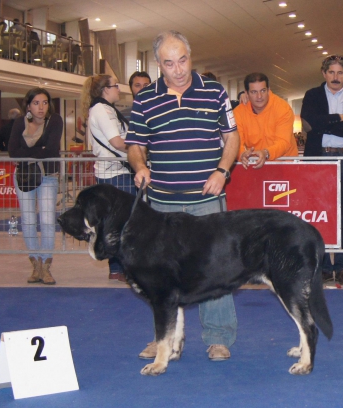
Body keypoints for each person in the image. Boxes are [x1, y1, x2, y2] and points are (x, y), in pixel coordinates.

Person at [126, 30, 240, 362]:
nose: (178, 69)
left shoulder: (215, 92)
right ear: (158, 65)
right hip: (162, 201)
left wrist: (222, 171)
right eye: (169, 63)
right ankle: (166, 339)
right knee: (163, 274)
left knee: (215, 267)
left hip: (207, 198)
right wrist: (139, 165)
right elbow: (135, 144)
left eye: (183, 60)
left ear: (191, 56)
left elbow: (232, 138)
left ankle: (218, 337)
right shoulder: (145, 98)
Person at [300, 54, 343, 286]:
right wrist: (338, 119)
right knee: (321, 215)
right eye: (331, 72)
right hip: (319, 161)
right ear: (324, 73)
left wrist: (324, 124)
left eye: (340, 73)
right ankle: (324, 266)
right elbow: (308, 124)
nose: (335, 77)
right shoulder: (312, 95)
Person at [81, 74, 134, 283]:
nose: (118, 90)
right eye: (115, 86)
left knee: (119, 222)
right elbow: (117, 142)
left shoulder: (105, 109)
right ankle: (119, 267)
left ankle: (119, 267)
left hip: (117, 172)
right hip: (115, 173)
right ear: (105, 90)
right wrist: (141, 148)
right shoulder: (102, 110)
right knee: (122, 222)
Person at [8, 88, 62, 285]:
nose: (41, 107)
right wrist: (42, 150)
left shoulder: (55, 120)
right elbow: (12, 151)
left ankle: (46, 266)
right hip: (23, 176)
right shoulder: (18, 122)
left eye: (45, 102)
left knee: (48, 221)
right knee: (28, 221)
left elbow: (53, 148)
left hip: (48, 175)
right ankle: (35, 265)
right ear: (28, 105)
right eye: (36, 103)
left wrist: (28, 153)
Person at [234, 72, 298, 169]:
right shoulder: (238, 113)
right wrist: (242, 154)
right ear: (246, 93)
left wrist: (266, 153)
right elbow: (236, 142)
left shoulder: (283, 108)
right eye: (254, 92)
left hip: (285, 165)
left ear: (268, 90)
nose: (259, 96)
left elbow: (283, 142)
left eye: (263, 91)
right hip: (255, 165)